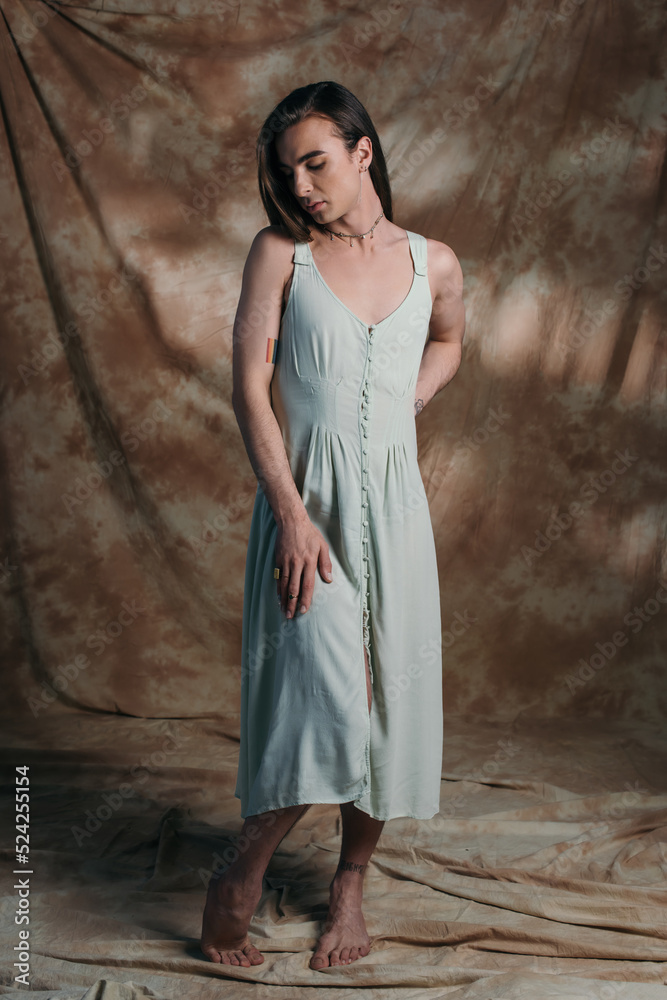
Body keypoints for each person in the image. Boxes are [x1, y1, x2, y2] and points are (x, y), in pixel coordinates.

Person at [200, 80, 465, 971]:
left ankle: (350, 881)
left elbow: (450, 341)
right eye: (289, 171)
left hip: (396, 512)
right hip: (303, 505)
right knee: (318, 699)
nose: (302, 185)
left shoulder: (436, 263)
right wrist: (289, 515)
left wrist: (406, 404)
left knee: (389, 696)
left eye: (316, 162)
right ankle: (244, 867)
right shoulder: (281, 254)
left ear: (361, 150)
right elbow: (248, 388)